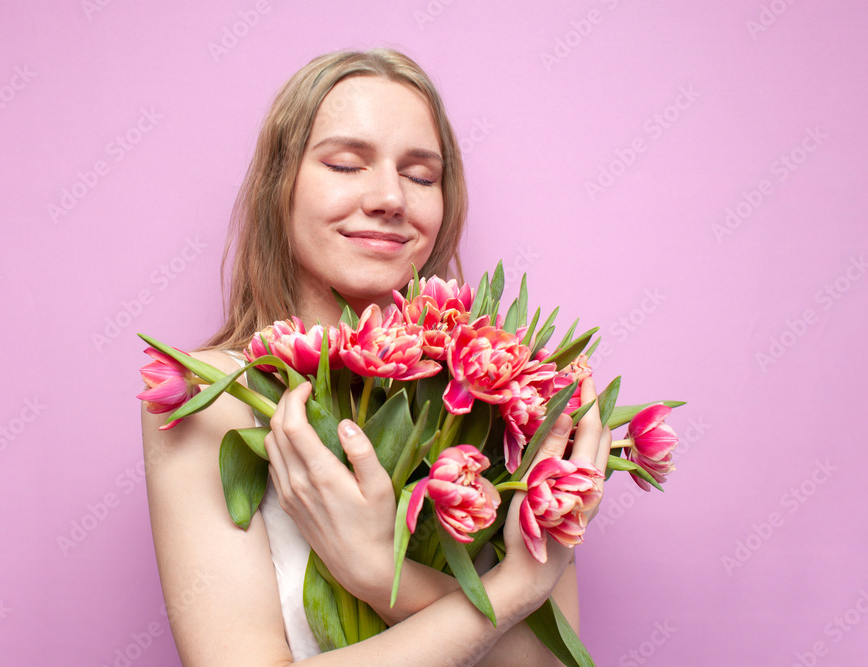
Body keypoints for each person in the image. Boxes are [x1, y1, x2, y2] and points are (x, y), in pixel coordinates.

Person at [142, 48, 611, 666]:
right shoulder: (208, 400)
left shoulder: (508, 393)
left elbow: (548, 664)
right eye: (345, 164)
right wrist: (512, 591)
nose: (390, 196)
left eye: (421, 176)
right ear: (279, 187)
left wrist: (374, 572)